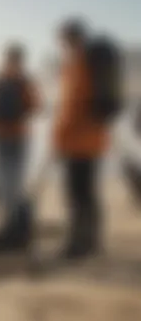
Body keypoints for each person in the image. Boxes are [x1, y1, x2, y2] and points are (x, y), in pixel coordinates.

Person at [53, 19, 117, 259]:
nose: (61, 45)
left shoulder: (80, 64)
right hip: (92, 139)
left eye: (62, 39)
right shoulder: (87, 62)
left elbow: (72, 107)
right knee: (87, 193)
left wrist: (59, 137)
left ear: (72, 38)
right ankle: (91, 242)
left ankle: (78, 243)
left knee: (77, 194)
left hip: (78, 140)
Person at [0, 43, 40, 253]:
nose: (14, 64)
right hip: (8, 137)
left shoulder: (10, 83)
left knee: (10, 185)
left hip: (12, 137)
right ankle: (12, 228)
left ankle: (13, 228)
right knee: (8, 185)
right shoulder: (10, 82)